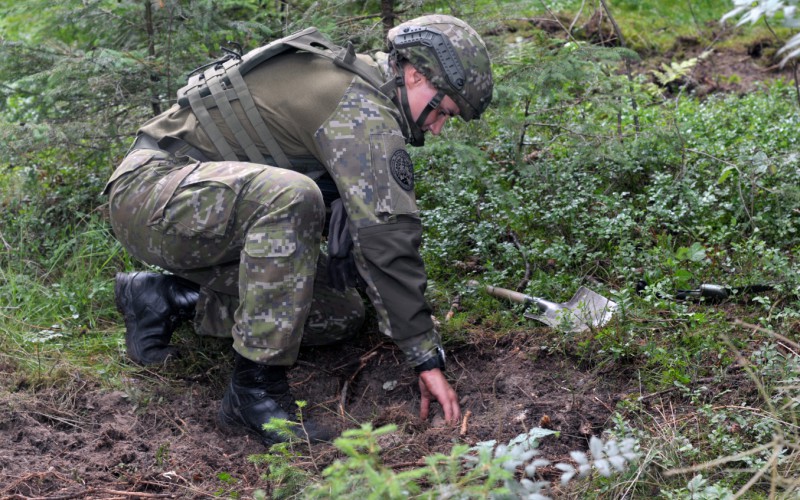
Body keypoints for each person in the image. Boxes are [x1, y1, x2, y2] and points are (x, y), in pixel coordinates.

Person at [104, 14, 493, 445]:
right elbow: (389, 241)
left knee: (340, 313)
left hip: (197, 208)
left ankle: (165, 298)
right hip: (149, 193)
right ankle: (253, 392)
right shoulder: (360, 107)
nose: (437, 127)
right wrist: (425, 358)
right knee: (293, 195)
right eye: (442, 110)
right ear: (415, 73)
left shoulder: (362, 89)